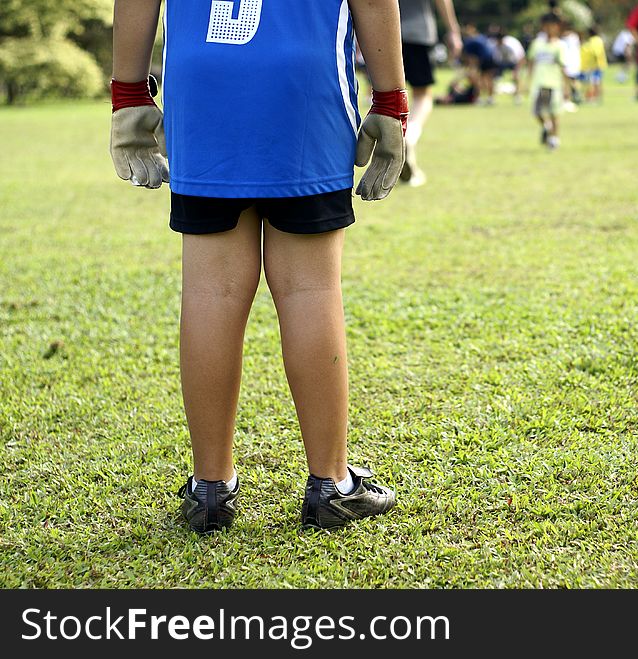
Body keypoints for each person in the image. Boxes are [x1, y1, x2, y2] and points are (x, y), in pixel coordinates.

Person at [109, 0, 408, 533]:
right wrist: (391, 99)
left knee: (209, 292)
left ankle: (210, 488)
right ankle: (331, 485)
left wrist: (128, 92)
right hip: (305, 81)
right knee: (310, 290)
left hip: (202, 84)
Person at [399, 0, 463, 186]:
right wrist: (453, 30)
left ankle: (395, 154)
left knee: (391, 96)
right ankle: (409, 137)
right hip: (418, 33)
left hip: (384, 35)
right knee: (423, 96)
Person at [527, 13, 567, 150]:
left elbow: (563, 67)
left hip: (554, 83)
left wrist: (567, 86)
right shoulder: (537, 44)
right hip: (539, 83)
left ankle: (554, 139)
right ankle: (547, 127)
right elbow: (531, 63)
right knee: (537, 112)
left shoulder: (560, 46)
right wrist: (528, 80)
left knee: (554, 112)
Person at [461, 24, 499, 104]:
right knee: (488, 79)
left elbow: (472, 57)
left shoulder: (469, 41)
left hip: (484, 60)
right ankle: (490, 98)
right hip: (492, 58)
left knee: (479, 79)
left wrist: (472, 68)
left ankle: (479, 98)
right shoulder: (482, 37)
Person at [580, 27, 607, 104]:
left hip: (595, 65)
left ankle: (594, 98)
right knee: (597, 82)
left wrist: (594, 65)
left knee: (594, 82)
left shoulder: (594, 41)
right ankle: (598, 98)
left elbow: (596, 53)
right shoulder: (599, 40)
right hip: (600, 64)